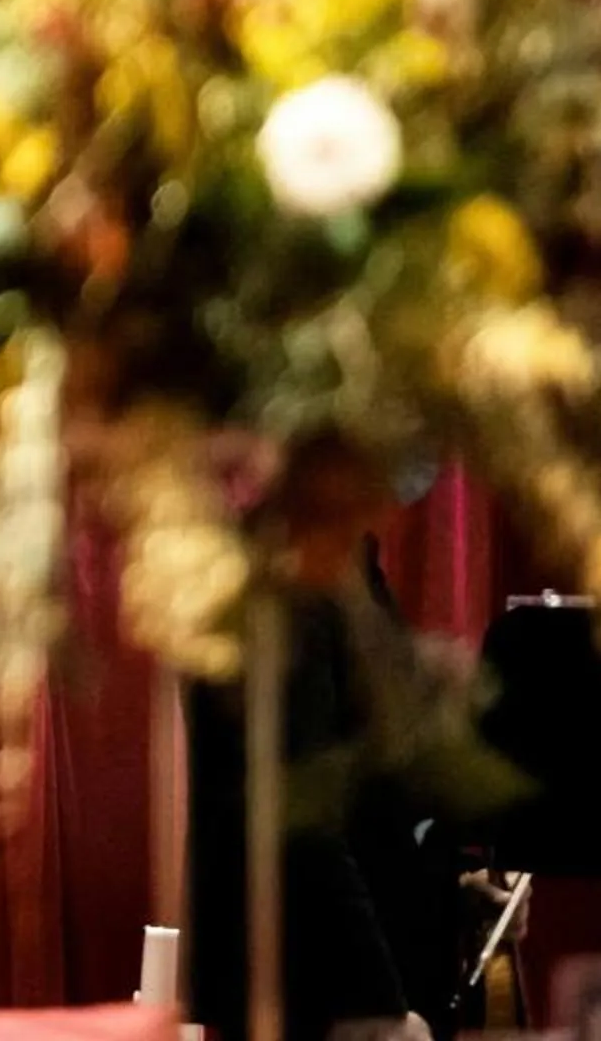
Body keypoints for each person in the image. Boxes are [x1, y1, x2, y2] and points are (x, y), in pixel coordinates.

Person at [185, 437, 479, 1041]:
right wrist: (378, 1007)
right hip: (310, 994)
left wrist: (452, 888)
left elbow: (365, 789)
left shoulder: (343, 559)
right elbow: (294, 806)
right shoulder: (281, 561)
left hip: (337, 979)